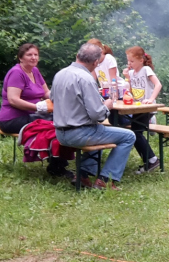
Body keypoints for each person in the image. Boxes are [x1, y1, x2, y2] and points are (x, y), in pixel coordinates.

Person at [53, 43, 135, 190]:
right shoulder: (85, 78)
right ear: (96, 62)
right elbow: (97, 114)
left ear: (77, 56)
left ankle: (83, 174)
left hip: (60, 133)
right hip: (80, 133)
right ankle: (105, 180)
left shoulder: (60, 74)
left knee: (100, 130)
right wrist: (107, 106)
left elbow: (53, 100)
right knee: (129, 136)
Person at [0, 43, 71, 178]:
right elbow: (13, 99)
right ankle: (56, 166)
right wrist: (38, 107)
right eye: (29, 55)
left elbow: (46, 93)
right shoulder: (16, 73)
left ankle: (58, 164)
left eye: (36, 54)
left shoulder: (35, 71)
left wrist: (62, 99)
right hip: (11, 119)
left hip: (31, 115)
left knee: (60, 120)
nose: (33, 57)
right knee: (51, 124)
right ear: (21, 58)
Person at [123, 46, 162, 174]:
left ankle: (152, 160)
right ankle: (150, 160)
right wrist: (126, 77)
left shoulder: (146, 70)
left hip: (147, 107)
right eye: (128, 61)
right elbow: (129, 90)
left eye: (132, 61)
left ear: (141, 60)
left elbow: (158, 84)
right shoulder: (131, 73)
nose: (129, 64)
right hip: (137, 107)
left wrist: (151, 99)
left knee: (135, 133)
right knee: (134, 132)